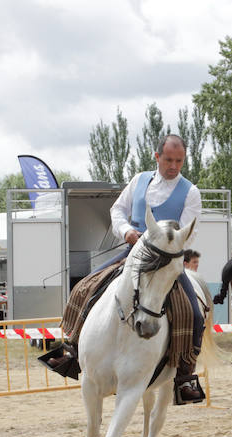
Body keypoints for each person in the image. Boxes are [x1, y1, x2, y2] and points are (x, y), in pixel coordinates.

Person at [88, 134, 205, 402]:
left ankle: (185, 377)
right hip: (132, 254)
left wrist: (162, 245)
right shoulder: (138, 180)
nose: (174, 166)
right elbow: (117, 210)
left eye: (179, 161)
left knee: (195, 315)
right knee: (88, 284)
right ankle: (72, 348)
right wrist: (127, 231)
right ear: (157, 157)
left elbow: (188, 232)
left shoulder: (190, 192)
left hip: (165, 262)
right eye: (168, 160)